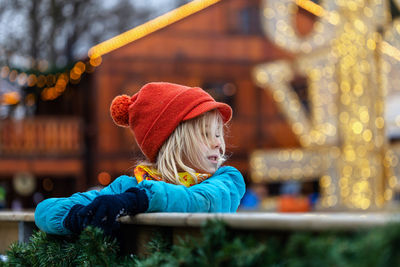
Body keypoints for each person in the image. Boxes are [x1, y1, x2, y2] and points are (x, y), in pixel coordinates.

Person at [35, 82, 246, 236]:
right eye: (205, 134)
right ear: (172, 141)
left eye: (218, 134)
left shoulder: (227, 180)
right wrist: (78, 216)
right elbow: (45, 211)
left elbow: (200, 201)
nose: (218, 143)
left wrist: (138, 200)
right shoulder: (128, 186)